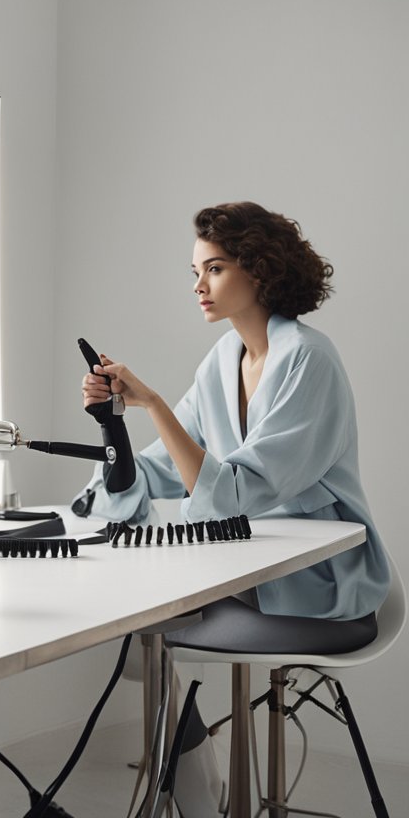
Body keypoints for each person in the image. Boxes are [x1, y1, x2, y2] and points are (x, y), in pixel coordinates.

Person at [76, 201, 390, 816]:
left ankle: (196, 797)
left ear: (260, 269)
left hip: (322, 582)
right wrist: (112, 427)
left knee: (155, 629)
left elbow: (237, 491)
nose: (198, 285)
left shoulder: (308, 360)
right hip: (254, 567)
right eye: (195, 271)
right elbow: (168, 472)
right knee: (143, 618)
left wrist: (155, 403)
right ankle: (201, 793)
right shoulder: (222, 361)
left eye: (214, 269)